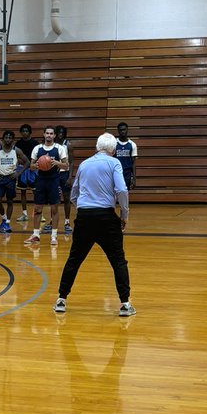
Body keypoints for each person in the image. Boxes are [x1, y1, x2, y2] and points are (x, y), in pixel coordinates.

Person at [54, 133, 134, 317]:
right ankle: (125, 303)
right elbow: (121, 189)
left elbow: (74, 193)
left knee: (74, 259)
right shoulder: (114, 163)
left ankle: (61, 299)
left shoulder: (84, 164)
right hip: (106, 217)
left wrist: (85, 208)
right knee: (118, 261)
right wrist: (124, 214)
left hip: (84, 217)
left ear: (97, 147)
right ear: (113, 150)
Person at [27, 126, 67, 245]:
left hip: (54, 180)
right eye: (47, 133)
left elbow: (66, 165)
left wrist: (55, 163)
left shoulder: (59, 148)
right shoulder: (37, 149)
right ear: (43, 134)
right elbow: (31, 166)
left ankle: (54, 236)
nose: (49, 135)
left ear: (54, 136)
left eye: (51, 133)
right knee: (37, 209)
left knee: (54, 209)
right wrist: (38, 165)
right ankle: (35, 234)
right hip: (41, 180)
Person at [0, 130, 26, 233]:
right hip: (0, 178)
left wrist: (18, 173)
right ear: (3, 139)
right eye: (6, 137)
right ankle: (4, 217)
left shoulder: (17, 150)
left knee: (10, 201)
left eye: (10, 138)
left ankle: (7, 223)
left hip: (11, 178)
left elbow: (27, 162)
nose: (8, 139)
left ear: (13, 140)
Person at [55, 125, 73, 235]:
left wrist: (70, 177)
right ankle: (53, 220)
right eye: (59, 132)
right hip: (54, 174)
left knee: (66, 198)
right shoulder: (53, 145)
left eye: (62, 132)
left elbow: (71, 162)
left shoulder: (68, 145)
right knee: (54, 199)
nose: (60, 134)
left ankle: (67, 221)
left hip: (65, 174)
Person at [16, 123, 35, 221]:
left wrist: (31, 164)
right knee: (23, 192)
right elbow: (15, 157)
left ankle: (38, 213)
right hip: (22, 169)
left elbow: (37, 157)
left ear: (30, 132)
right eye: (23, 131)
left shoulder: (35, 143)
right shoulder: (18, 143)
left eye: (26, 131)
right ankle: (24, 214)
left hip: (32, 169)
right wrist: (22, 162)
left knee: (35, 191)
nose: (25, 133)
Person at [114, 122, 138, 196]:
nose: (122, 131)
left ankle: (124, 207)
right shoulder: (114, 143)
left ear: (127, 130)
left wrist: (134, 179)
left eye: (124, 129)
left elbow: (133, 163)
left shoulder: (132, 144)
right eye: (120, 130)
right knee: (113, 192)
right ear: (118, 131)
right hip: (115, 171)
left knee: (125, 192)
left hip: (126, 173)